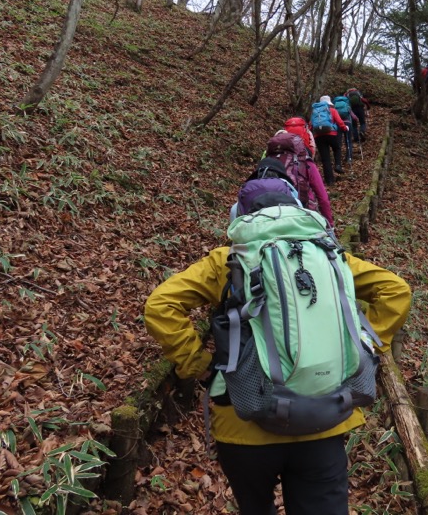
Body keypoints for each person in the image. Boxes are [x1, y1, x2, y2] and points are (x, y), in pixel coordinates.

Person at [144, 187, 412, 515]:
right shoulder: (329, 254)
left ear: (241, 217)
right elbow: (396, 291)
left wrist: (197, 364)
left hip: (243, 420)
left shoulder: (226, 261)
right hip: (325, 416)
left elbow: (161, 305)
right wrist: (366, 344)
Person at [263, 131, 335, 226]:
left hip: (270, 216)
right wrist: (329, 224)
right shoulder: (305, 161)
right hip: (304, 214)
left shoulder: (265, 163)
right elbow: (322, 197)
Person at [311, 95, 348, 186]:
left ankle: (329, 180)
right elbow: (339, 122)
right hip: (331, 134)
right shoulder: (332, 110)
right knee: (337, 148)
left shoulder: (314, 112)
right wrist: (344, 128)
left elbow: (310, 125)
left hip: (318, 136)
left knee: (325, 159)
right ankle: (338, 165)